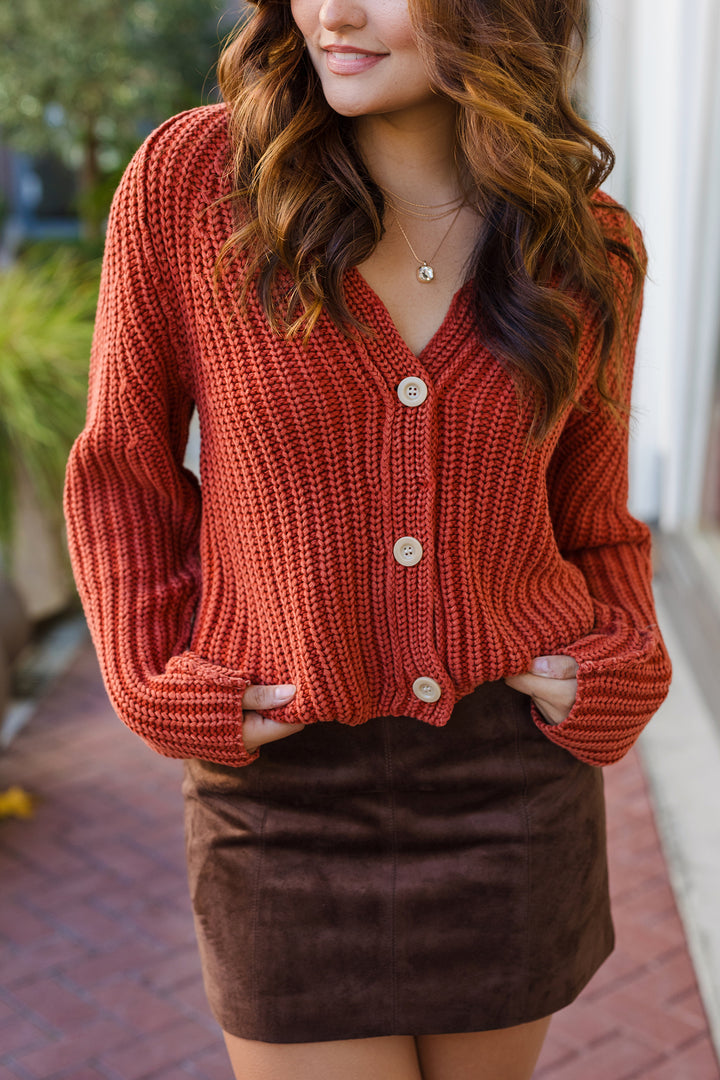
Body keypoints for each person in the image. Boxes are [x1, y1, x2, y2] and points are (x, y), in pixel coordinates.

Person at [63, 0, 673, 1076]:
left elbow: (595, 518)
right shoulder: (193, 186)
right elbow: (123, 471)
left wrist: (625, 652)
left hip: (511, 786)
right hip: (283, 791)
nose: (332, 12)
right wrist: (150, 673)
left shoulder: (586, 244)